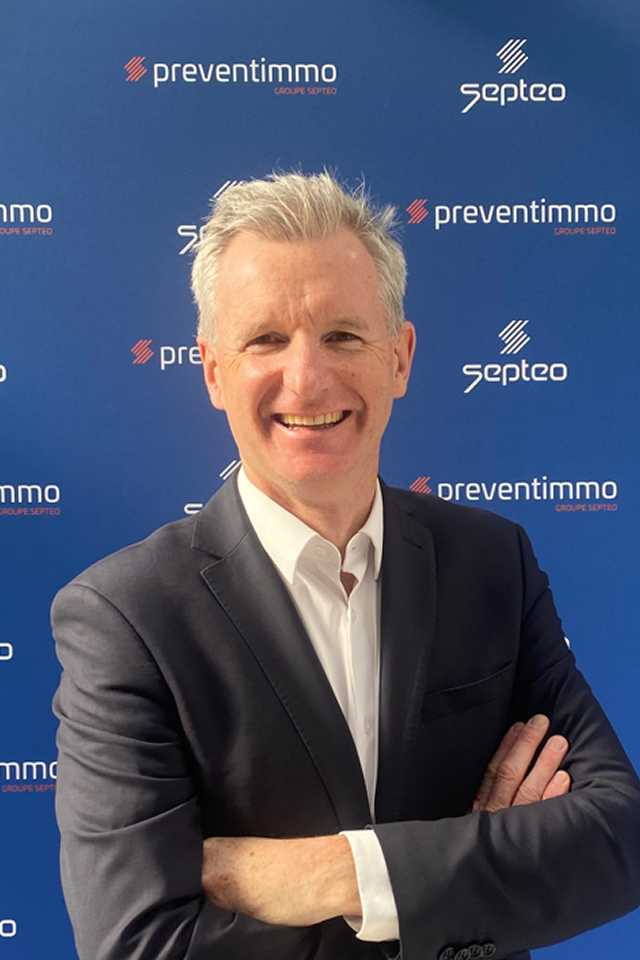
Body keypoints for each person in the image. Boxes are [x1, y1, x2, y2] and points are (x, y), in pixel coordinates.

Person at [52, 172, 640, 960]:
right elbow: (137, 943)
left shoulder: (494, 562)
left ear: (399, 358)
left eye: (343, 336)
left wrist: (337, 874)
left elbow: (618, 839)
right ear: (214, 371)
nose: (307, 378)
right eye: (266, 339)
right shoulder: (125, 618)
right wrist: (467, 870)